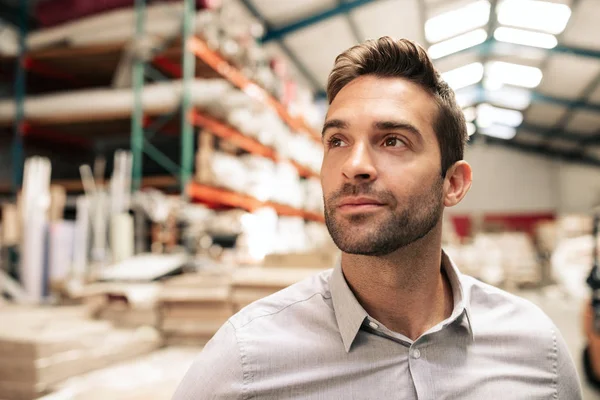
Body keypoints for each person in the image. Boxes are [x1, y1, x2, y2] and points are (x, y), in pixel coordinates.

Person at [172, 36, 582, 399]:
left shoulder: (536, 352)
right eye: (337, 140)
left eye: (392, 140)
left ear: (453, 183)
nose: (354, 165)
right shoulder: (245, 361)